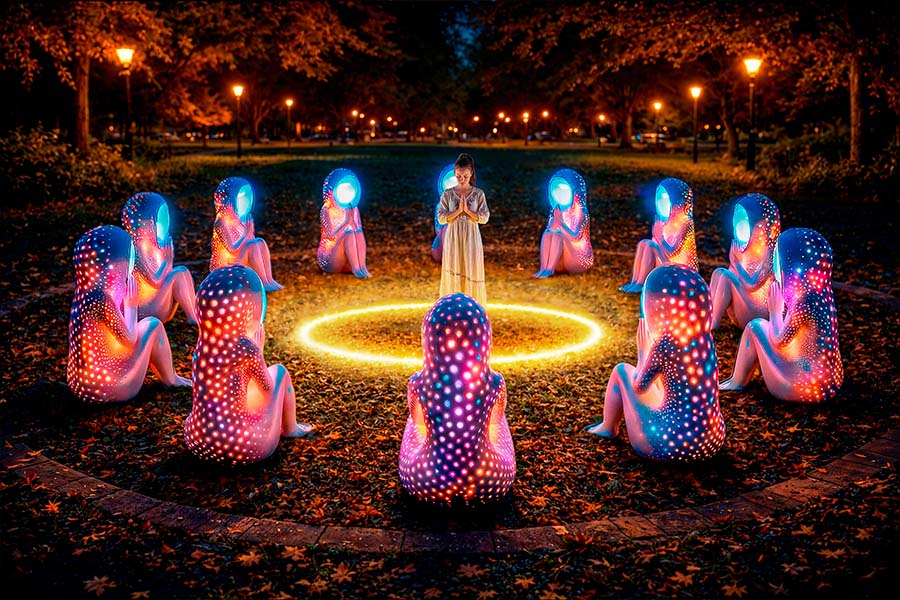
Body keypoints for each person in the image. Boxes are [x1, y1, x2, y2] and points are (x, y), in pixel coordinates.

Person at [588, 265, 725, 462]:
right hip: (711, 439)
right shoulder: (704, 340)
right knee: (663, 387)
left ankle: (608, 428)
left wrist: (643, 351)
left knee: (622, 371)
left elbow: (640, 386)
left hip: (670, 443)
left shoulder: (666, 345)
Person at [185, 265, 312, 464]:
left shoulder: (204, 344)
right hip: (241, 445)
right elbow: (267, 389)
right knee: (279, 372)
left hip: (198, 439)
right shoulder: (245, 347)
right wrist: (257, 353)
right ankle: (291, 428)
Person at [399, 293, 515, 502]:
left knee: (413, 421)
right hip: (490, 480)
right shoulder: (495, 382)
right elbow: (496, 420)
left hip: (425, 481)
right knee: (499, 421)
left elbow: (417, 422)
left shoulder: (418, 383)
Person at [67, 225, 190, 403]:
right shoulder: (101, 299)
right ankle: (171, 380)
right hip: (107, 388)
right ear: (116, 263)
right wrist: (131, 305)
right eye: (129, 256)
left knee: (146, 325)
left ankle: (171, 378)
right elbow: (130, 340)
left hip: (82, 384)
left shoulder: (86, 292)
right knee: (152, 326)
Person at [719, 228, 843, 403]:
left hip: (803, 385)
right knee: (762, 326)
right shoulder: (821, 294)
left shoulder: (804, 302)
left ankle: (737, 381)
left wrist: (775, 311)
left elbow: (779, 340)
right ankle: (737, 380)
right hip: (830, 381)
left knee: (755, 327)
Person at [121, 192, 199, 324]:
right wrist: (167, 260)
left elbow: (167, 274)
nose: (163, 224)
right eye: (159, 219)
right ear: (146, 223)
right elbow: (156, 282)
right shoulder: (137, 250)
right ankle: (193, 317)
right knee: (179, 273)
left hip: (160, 305)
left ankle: (194, 312)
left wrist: (167, 258)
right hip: (147, 311)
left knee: (182, 271)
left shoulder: (158, 245)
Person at [709, 193, 781, 330]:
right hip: (742, 307)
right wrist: (734, 262)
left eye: (746, 222)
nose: (742, 226)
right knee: (719, 272)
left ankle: (713, 322)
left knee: (726, 276)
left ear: (765, 227)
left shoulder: (769, 253)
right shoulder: (743, 247)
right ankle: (709, 314)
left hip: (758, 313)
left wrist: (736, 263)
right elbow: (734, 274)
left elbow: (752, 284)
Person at [620, 177, 698, 293]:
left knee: (651, 245)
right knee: (644, 243)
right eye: (660, 198)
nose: (662, 202)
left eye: (666, 198)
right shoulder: (664, 221)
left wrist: (659, 236)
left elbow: (672, 252)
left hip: (681, 271)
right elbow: (656, 245)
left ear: (678, 201)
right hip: (666, 262)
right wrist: (657, 236)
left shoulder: (685, 223)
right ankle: (635, 281)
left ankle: (641, 284)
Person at [209, 177, 283, 292]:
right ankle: (262, 281)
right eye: (240, 198)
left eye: (246, 197)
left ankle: (268, 279)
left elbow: (251, 242)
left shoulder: (245, 219)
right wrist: (246, 233)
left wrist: (248, 232)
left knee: (260, 241)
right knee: (252, 245)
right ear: (229, 200)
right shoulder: (221, 222)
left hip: (240, 257)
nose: (245, 202)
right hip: (227, 264)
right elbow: (232, 249)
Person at [438, 153, 489, 307]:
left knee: (470, 267)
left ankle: (472, 307)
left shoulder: (478, 194)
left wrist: (468, 211)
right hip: (453, 236)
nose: (462, 179)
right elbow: (441, 218)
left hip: (471, 237)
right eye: (459, 176)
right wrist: (458, 211)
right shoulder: (447, 194)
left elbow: (485, 217)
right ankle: (452, 307)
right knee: (455, 265)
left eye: (465, 176)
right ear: (455, 173)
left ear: (471, 173)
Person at [533, 168, 593, 278]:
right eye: (556, 191)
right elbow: (551, 229)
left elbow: (576, 237)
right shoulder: (557, 211)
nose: (560, 194)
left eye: (564, 190)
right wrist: (555, 223)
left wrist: (560, 224)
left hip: (579, 258)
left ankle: (550, 270)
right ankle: (544, 268)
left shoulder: (582, 213)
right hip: (560, 257)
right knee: (547, 233)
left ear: (575, 193)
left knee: (558, 236)